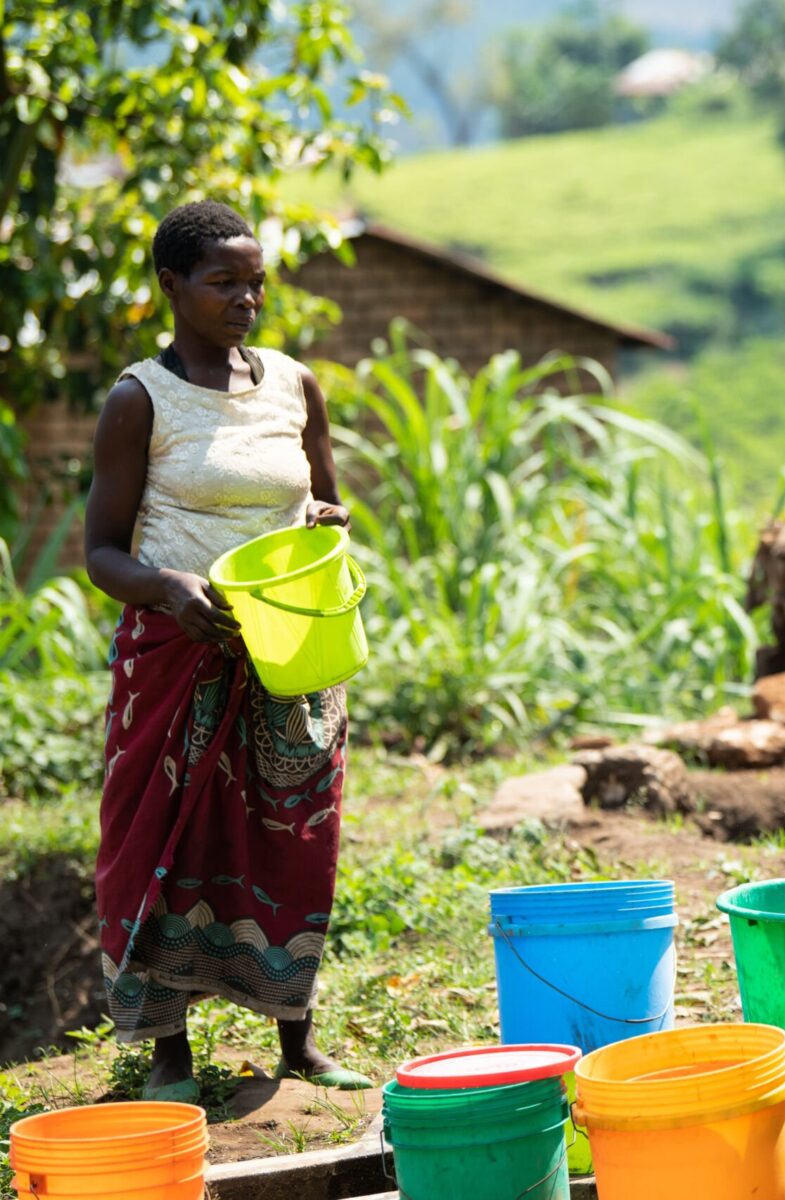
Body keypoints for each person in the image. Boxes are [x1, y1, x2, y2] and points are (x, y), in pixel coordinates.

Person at [84, 200, 369, 1099]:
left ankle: (298, 1041)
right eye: (223, 283)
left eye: (255, 283)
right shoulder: (140, 399)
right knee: (171, 842)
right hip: (179, 654)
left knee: (292, 837)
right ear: (172, 286)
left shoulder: (293, 385)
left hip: (289, 648)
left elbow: (324, 499)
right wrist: (168, 585)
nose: (246, 300)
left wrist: (327, 519)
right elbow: (101, 551)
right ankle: (171, 1054)